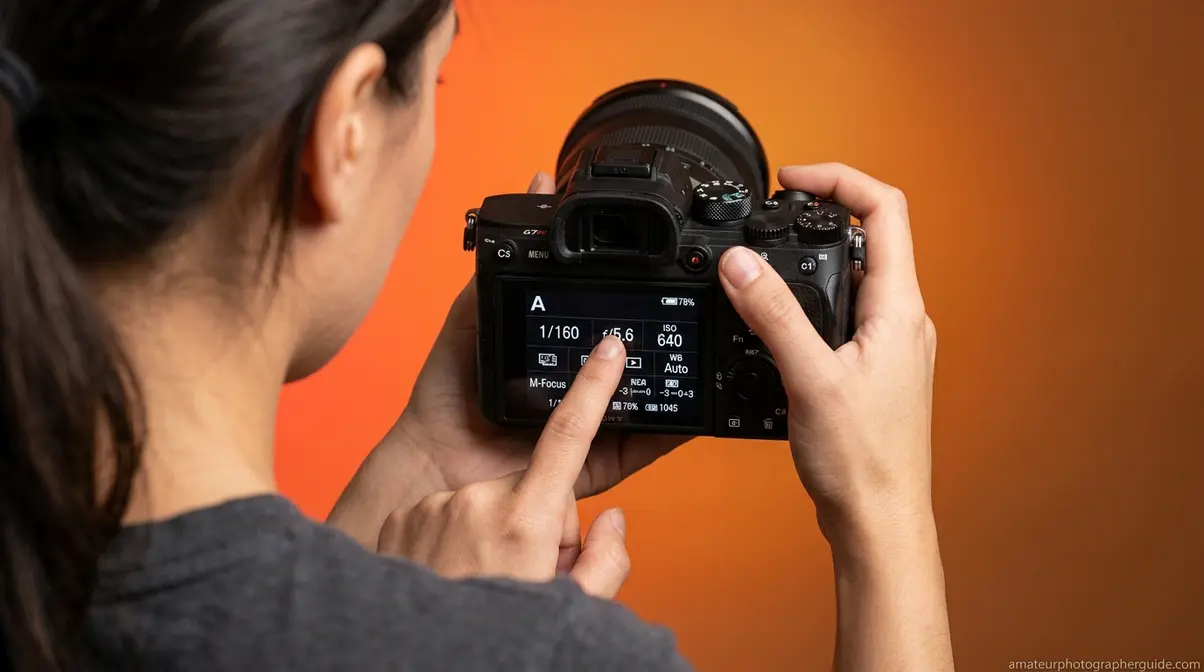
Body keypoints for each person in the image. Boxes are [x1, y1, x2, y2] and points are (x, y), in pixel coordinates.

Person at [0, 0, 954, 670]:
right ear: (346, 131)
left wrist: (387, 522)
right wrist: (883, 511)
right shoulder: (531, 654)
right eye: (438, 76)